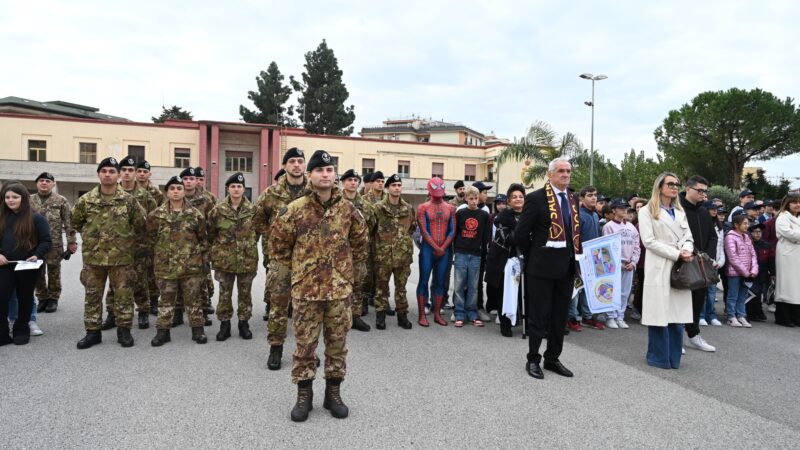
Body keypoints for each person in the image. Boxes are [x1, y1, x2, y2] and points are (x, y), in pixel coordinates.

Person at [269, 150, 368, 422]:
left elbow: (360, 245)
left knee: (337, 344)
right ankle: (304, 395)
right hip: (306, 292)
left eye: (329, 169)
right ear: (310, 176)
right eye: (319, 170)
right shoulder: (294, 210)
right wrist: (295, 278)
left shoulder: (348, 210)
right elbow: (278, 248)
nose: (325, 174)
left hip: (339, 291)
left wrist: (346, 275)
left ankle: (333, 393)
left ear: (334, 175)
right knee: (305, 346)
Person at [515, 157, 581, 380]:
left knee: (559, 317)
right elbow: (521, 234)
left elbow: (574, 232)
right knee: (538, 316)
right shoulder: (536, 199)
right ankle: (533, 358)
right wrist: (534, 256)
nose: (565, 174)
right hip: (541, 268)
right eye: (561, 171)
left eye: (568, 171)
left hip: (566, 268)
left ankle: (553, 357)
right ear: (550, 174)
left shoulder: (573, 198)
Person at [71, 157, 147, 349]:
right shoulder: (86, 201)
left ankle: (124, 331)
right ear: (98, 174)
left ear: (119, 175)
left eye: (112, 171)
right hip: (94, 259)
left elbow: (139, 224)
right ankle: (92, 332)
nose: (107, 174)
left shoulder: (129, 201)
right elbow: (76, 223)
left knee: (123, 296)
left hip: (121, 259)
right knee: (92, 296)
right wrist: (93, 239)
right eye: (104, 171)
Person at [255, 147, 311, 370]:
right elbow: (258, 220)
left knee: (307, 308)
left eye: (300, 161)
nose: (297, 165)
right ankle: (276, 348)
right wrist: (274, 240)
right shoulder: (271, 194)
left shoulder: (315, 190)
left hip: (310, 260)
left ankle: (307, 350)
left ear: (304, 165)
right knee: (278, 307)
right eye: (292, 162)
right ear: (285, 166)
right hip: (281, 260)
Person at [638, 172, 694, 369]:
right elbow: (649, 241)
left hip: (680, 263)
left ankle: (674, 358)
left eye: (677, 184)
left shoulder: (679, 212)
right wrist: (677, 253)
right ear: (660, 186)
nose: (674, 187)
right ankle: (658, 357)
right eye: (670, 184)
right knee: (659, 312)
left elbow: (688, 235)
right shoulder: (647, 211)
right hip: (660, 264)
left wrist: (687, 249)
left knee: (677, 313)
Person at [147, 176, 208, 346]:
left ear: (184, 191)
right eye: (172, 188)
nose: (176, 191)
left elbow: (203, 238)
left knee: (194, 300)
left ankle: (198, 331)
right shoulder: (156, 215)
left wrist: (201, 260)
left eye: (179, 188)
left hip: (191, 266)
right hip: (166, 266)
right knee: (166, 300)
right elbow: (150, 237)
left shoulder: (195, 215)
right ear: (166, 192)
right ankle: (163, 332)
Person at [104, 156, 157, 330]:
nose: (127, 173)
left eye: (130, 170)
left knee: (140, 280)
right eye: (124, 170)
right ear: (120, 173)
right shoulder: (111, 192)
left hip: (139, 248)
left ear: (135, 173)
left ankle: (143, 312)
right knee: (114, 284)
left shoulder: (145, 196)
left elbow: (154, 221)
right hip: (116, 248)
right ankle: (112, 314)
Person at [208, 173, 260, 341]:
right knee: (224, 293)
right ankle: (225, 324)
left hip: (247, 259)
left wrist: (247, 245)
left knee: (245, 293)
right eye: (233, 186)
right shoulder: (218, 210)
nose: (236, 189)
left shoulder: (253, 210)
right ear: (227, 189)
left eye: (239, 186)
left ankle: (244, 323)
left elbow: (258, 232)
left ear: (244, 189)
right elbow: (211, 232)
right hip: (225, 260)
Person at [0, 182, 52, 346]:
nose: (10, 200)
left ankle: (21, 329)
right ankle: (2, 332)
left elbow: (46, 242)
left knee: (25, 297)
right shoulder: (1, 216)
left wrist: (36, 255)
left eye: (15, 197)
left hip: (26, 266)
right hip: (4, 265)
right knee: (2, 298)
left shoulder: (36, 218)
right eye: (7, 197)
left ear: (23, 198)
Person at [678, 176, 717, 352]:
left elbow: (712, 236)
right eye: (699, 190)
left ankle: (693, 334)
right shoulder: (677, 208)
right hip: (683, 260)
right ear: (688, 189)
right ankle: (676, 337)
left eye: (705, 191)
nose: (703, 194)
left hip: (701, 264)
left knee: (698, 300)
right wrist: (687, 253)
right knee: (680, 300)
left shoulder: (703, 211)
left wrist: (707, 257)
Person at [372, 174, 415, 330]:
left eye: (399, 185)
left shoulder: (408, 208)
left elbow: (412, 228)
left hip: (402, 256)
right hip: (383, 255)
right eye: (393, 185)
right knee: (381, 287)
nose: (397, 187)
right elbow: (371, 229)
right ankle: (380, 316)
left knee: (401, 288)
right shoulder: (378, 208)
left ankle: (402, 316)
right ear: (387, 188)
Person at [30, 172, 76, 313]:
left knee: (54, 272)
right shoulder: (28, 200)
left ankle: (53, 299)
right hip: (34, 244)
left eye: (48, 181)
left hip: (54, 244)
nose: (44, 183)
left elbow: (69, 222)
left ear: (53, 184)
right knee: (37, 272)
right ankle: (42, 298)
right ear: (37, 183)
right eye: (41, 180)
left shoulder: (61, 200)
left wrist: (71, 242)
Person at [485, 183, 525, 337]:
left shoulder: (529, 215)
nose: (518, 199)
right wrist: (525, 232)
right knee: (506, 293)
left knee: (525, 292)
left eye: (521, 196)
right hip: (506, 261)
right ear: (508, 200)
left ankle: (524, 323)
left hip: (526, 260)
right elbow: (507, 239)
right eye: (514, 197)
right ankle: (505, 324)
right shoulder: (502, 218)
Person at [416, 177, 456, 327]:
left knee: (440, 282)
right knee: (423, 281)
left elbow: (452, 230)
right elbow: (424, 231)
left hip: (443, 250)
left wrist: (443, 247)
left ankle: (437, 313)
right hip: (429, 249)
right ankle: (421, 314)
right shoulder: (423, 207)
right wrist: (438, 248)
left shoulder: (451, 208)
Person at [340, 169, 376, 330]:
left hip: (359, 253)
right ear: (343, 183)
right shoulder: (335, 202)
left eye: (355, 180)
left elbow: (372, 226)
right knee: (337, 285)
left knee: (358, 285)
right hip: (338, 253)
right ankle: (338, 318)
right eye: (349, 180)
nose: (353, 183)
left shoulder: (366, 206)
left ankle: (355, 316)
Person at [452, 186, 491, 327]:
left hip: (476, 255)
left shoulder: (484, 215)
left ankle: (472, 313)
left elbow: (486, 236)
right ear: (466, 199)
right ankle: (459, 313)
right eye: (471, 198)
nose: (474, 201)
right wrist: (455, 250)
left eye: (476, 198)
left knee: (473, 286)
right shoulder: (460, 213)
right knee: (459, 285)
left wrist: (482, 251)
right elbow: (455, 233)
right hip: (461, 253)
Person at [568, 186, 605, 331]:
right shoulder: (577, 215)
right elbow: (574, 239)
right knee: (577, 289)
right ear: (582, 198)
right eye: (590, 195)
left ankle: (587, 316)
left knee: (590, 288)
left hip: (594, 258)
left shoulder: (596, 215)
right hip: (579, 258)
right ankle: (573, 317)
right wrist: (575, 261)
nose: (594, 198)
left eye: (595, 195)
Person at [602, 199, 641, 329]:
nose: (625, 210)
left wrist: (634, 262)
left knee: (625, 292)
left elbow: (637, 246)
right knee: (612, 291)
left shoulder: (631, 227)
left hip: (629, 264)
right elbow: (606, 248)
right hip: (615, 265)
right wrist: (617, 263)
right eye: (621, 208)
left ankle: (620, 316)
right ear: (614, 210)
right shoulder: (609, 226)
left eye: (626, 208)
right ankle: (610, 316)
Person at [135, 160, 163, 315]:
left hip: (150, 239)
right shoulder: (124, 190)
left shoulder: (156, 193)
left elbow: (160, 214)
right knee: (134, 274)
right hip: (130, 240)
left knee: (152, 272)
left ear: (149, 174)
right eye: (139, 171)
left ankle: (153, 302)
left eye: (145, 171)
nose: (141, 174)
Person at [724, 214, 758, 327]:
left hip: (747, 273)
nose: (747, 225)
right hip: (735, 272)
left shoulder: (747, 237)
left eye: (747, 223)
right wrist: (746, 273)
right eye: (744, 223)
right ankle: (731, 316)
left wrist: (753, 270)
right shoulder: (730, 237)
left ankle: (741, 316)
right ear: (736, 224)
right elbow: (732, 257)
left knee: (743, 296)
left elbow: (753, 254)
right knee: (733, 295)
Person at [773, 193, 800, 326]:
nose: (797, 205)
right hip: (787, 255)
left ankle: (795, 316)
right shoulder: (783, 217)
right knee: (786, 286)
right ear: (788, 203)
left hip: (797, 254)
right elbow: (789, 233)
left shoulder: (798, 218)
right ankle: (783, 317)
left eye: (799, 202)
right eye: (794, 202)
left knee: (797, 287)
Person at [699, 202, 725, 326]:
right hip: (704, 262)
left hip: (715, 264)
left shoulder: (720, 227)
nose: (715, 211)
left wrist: (720, 262)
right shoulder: (702, 224)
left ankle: (711, 315)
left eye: (716, 209)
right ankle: (701, 315)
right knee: (703, 291)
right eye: (712, 209)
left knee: (712, 292)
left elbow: (721, 246)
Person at [747, 222, 772, 322]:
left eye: (760, 232)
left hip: (762, 273)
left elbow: (770, 260)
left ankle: (758, 311)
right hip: (750, 273)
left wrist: (772, 273)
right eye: (755, 232)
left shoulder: (766, 245)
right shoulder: (748, 244)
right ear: (750, 233)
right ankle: (751, 313)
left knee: (759, 294)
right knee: (750, 294)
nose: (758, 234)